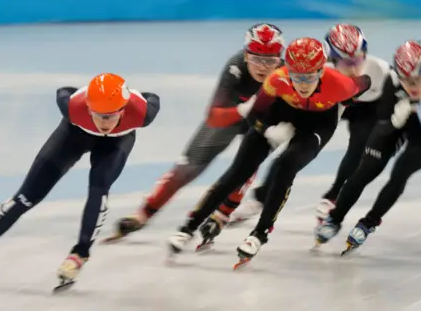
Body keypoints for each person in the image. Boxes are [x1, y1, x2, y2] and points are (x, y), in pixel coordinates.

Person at [167, 37, 370, 267]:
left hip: (317, 125)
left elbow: (365, 81)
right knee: (237, 173)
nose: (302, 84)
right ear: (288, 71)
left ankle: (260, 233)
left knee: (286, 166)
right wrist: (267, 129)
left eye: (309, 77)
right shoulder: (277, 78)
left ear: (321, 72)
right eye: (297, 77)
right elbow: (256, 113)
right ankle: (188, 228)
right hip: (280, 115)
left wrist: (350, 100)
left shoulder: (340, 84)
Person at [0, 73, 160, 291]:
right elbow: (63, 91)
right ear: (88, 108)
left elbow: (152, 97)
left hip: (116, 143)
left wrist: (132, 95)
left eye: (110, 116)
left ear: (123, 109)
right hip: (73, 135)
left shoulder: (142, 113)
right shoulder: (73, 106)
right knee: (26, 196)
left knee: (99, 189)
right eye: (97, 115)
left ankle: (80, 254)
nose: (103, 123)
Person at [104, 24, 285, 243]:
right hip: (232, 115)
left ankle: (221, 215)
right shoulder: (235, 68)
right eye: (256, 59)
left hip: (260, 122)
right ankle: (143, 215)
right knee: (187, 167)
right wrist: (243, 110)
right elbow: (213, 116)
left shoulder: (287, 75)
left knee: (246, 167)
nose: (263, 67)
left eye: (270, 61)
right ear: (246, 55)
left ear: (280, 59)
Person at [228, 24, 391, 225]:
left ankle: (333, 195)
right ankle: (261, 198)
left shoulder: (381, 71)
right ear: (330, 60)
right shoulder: (317, 71)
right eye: (345, 62)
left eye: (358, 59)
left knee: (360, 146)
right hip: (328, 105)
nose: (354, 68)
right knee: (291, 150)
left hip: (367, 109)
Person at [314, 40, 421, 255]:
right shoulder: (393, 80)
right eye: (405, 79)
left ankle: (368, 223)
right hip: (398, 125)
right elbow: (381, 124)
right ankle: (334, 219)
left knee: (401, 171)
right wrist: (394, 120)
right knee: (365, 170)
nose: (410, 86)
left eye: (417, 79)